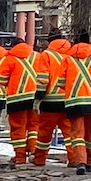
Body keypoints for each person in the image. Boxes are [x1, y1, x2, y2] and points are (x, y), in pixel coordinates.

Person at [63, 38, 91, 169]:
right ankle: (90, 162)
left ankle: (80, 161)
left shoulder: (68, 59)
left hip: (74, 101)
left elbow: (60, 81)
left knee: (77, 134)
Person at [30, 38, 71, 168]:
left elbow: (43, 78)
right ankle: (75, 158)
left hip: (50, 101)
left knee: (44, 133)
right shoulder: (71, 55)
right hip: (68, 100)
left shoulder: (46, 55)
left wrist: (38, 98)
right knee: (70, 133)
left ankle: (40, 159)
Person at [1, 39, 39, 164]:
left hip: (16, 100)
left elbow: (1, 78)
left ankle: (20, 157)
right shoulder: (37, 57)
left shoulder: (9, 59)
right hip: (35, 98)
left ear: (13, 46)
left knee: (18, 128)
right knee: (34, 126)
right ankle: (34, 152)